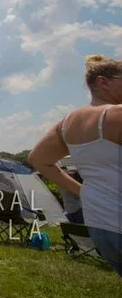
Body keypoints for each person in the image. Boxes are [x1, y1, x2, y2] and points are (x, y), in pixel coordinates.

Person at [28, 54, 122, 276]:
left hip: (100, 225)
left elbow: (38, 159)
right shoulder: (117, 114)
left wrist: (83, 191)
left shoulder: (68, 122)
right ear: (103, 82)